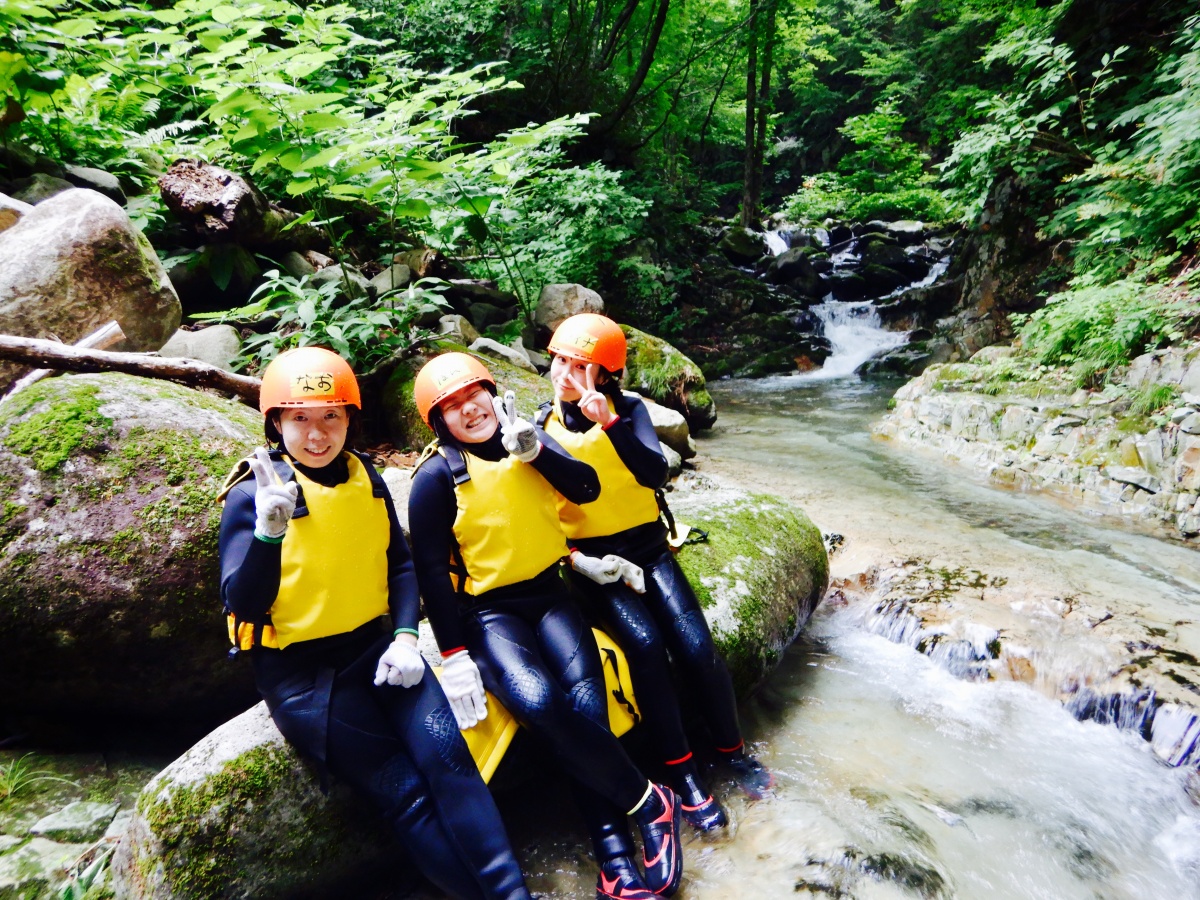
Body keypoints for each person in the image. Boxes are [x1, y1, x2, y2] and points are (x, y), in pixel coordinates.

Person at [217, 346, 531, 900]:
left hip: (378, 649)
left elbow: (402, 565)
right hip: (305, 678)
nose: (317, 434)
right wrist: (269, 531)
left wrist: (407, 636)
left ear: (349, 421)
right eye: (300, 419)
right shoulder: (253, 496)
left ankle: (514, 894)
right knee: (406, 791)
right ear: (276, 423)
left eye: (331, 417)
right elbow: (242, 605)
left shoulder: (367, 477)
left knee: (450, 759)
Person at [407, 352, 684, 900]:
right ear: (438, 421)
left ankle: (614, 860)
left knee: (587, 704)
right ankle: (652, 804)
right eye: (452, 406)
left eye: (473, 396)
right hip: (490, 614)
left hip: (552, 595)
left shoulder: (526, 439)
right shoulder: (435, 479)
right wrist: (455, 654)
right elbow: (433, 576)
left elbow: (586, 489)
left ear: (492, 393)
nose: (469, 410)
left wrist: (537, 454)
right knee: (539, 702)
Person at [539, 314, 774, 816]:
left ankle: (732, 752)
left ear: (604, 374)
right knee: (645, 646)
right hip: (593, 565)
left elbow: (653, 474)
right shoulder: (542, 429)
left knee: (694, 645)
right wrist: (576, 560)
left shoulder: (630, 412)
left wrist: (610, 423)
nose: (564, 373)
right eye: (559, 359)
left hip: (648, 549)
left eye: (579, 365)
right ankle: (683, 774)